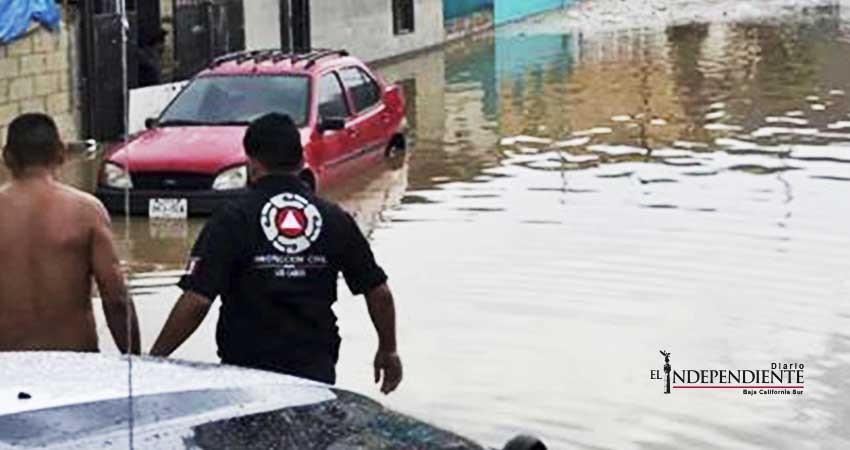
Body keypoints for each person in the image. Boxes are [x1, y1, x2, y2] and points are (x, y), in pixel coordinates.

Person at [150, 113, 402, 393]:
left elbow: (197, 301)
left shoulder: (231, 219)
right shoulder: (333, 218)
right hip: (314, 372)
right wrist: (388, 350)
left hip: (245, 373)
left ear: (252, 162)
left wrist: (153, 362)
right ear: (302, 160)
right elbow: (379, 293)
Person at [0, 113, 140, 354]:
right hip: (74, 363)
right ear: (61, 154)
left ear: (7, 157)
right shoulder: (87, 211)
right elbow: (115, 297)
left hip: (7, 365)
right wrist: (134, 361)